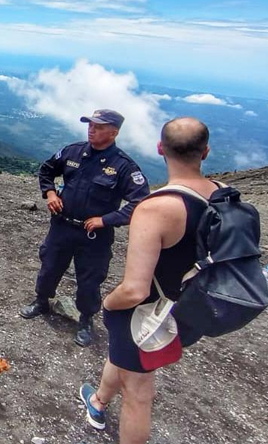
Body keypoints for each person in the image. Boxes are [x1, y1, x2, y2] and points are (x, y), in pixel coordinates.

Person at [79, 117, 214, 443]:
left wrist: (109, 304)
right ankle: (98, 401)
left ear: (160, 149)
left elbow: (135, 289)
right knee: (122, 355)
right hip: (195, 307)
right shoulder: (225, 196)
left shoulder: (158, 208)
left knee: (139, 393)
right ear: (206, 152)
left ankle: (106, 408)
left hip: (150, 315)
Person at [19, 109, 150, 347]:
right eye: (90, 125)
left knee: (89, 280)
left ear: (113, 132)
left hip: (94, 236)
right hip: (62, 225)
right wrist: (49, 193)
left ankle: (86, 319)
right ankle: (41, 301)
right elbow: (47, 169)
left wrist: (107, 220)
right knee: (50, 266)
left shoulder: (123, 166)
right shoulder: (73, 151)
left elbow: (140, 202)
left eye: (98, 127)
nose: (91, 129)